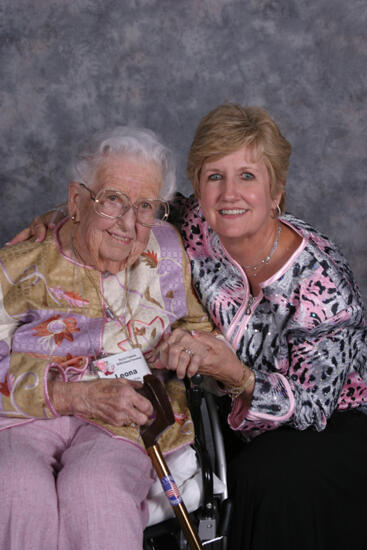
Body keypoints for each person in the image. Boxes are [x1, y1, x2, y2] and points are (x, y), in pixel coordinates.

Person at [9, 104, 367, 549]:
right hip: (223, 407)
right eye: (215, 176)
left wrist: (235, 374)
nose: (229, 193)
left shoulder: (321, 281)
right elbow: (125, 202)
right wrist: (61, 217)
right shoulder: (197, 222)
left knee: (261, 477)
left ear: (276, 191)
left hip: (323, 423)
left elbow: (313, 406)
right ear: (198, 185)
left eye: (248, 177)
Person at [0, 126, 213, 550]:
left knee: (94, 489)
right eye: (113, 199)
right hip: (26, 416)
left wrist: (188, 347)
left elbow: (199, 329)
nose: (130, 224)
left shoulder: (167, 251)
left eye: (145, 206)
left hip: (127, 418)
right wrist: (67, 395)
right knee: (16, 486)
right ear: (76, 202)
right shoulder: (17, 266)